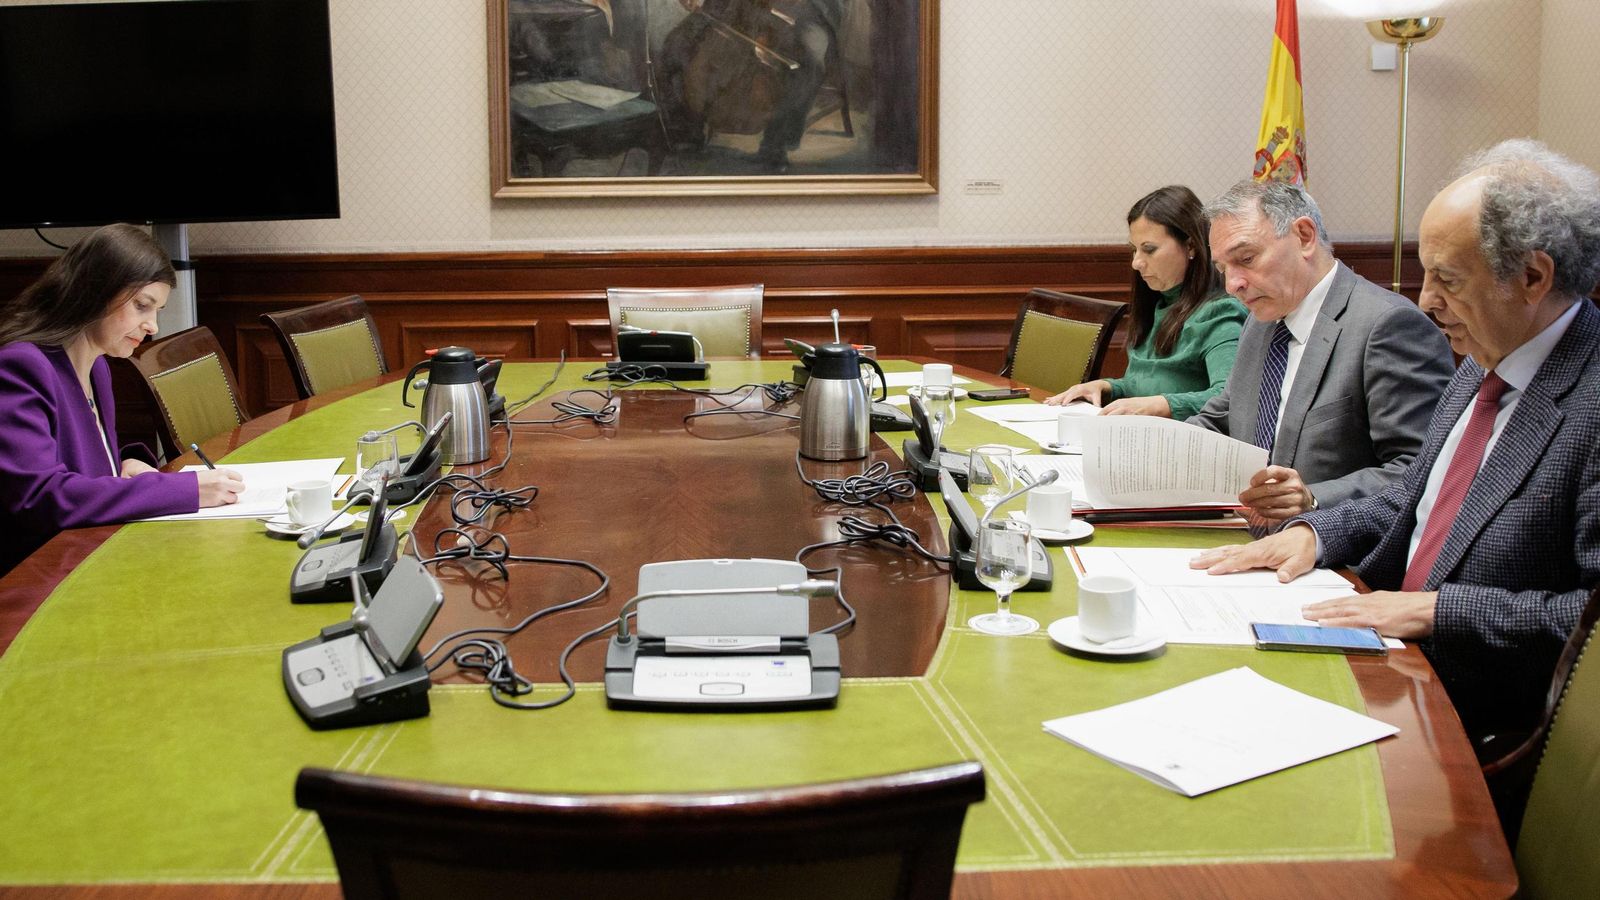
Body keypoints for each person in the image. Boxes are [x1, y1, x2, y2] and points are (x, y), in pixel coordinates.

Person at [1192, 139, 1600, 744]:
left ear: (1533, 277)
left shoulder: (1587, 399)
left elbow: (1592, 621)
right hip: (1383, 655)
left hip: (1484, 717)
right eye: (1425, 272)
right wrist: (1315, 533)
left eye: (1448, 279)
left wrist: (1435, 610)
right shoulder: (1482, 358)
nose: (1426, 300)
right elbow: (1414, 496)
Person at [1190, 179, 1453, 529]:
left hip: (1337, 557)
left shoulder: (1388, 325)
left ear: (1304, 236)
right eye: (1224, 269)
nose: (1233, 284)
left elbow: (1422, 470)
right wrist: (1140, 447)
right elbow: (1227, 414)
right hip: (1248, 536)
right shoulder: (1262, 320)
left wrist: (1314, 499)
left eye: (1246, 259)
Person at [0, 224, 244, 574]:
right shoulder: (21, 366)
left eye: (156, 310)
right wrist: (183, 489)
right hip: (37, 580)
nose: (153, 326)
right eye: (143, 306)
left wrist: (123, 466)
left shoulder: (98, 368)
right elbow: (42, 497)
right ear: (94, 292)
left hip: (89, 560)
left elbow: (82, 471)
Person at [1044, 185, 1247, 419]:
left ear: (1190, 246)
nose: (1136, 263)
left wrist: (1163, 405)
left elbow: (1229, 398)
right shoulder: (1157, 303)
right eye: (1134, 250)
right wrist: (1107, 387)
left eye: (1149, 250)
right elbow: (1148, 386)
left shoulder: (1221, 313)